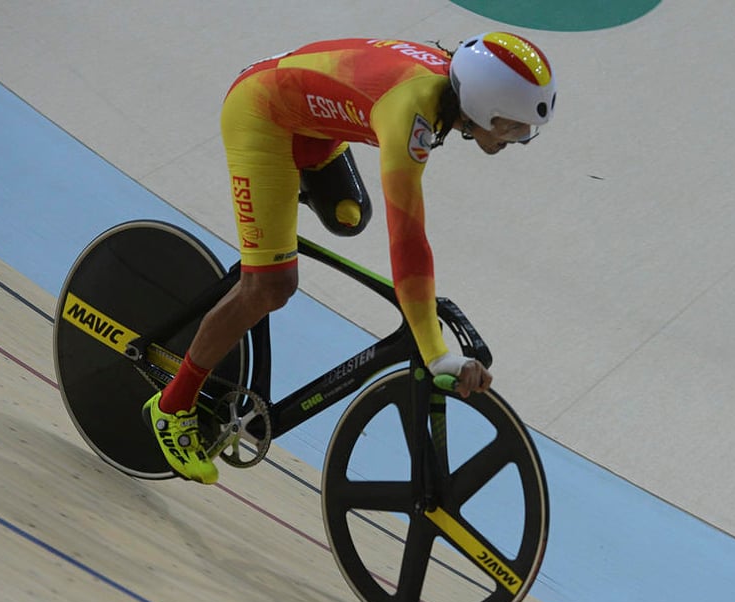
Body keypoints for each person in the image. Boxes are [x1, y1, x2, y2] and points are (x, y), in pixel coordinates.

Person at [143, 32, 557, 484]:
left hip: (311, 123)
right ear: (479, 103)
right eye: (511, 126)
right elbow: (408, 241)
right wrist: (436, 354)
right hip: (261, 115)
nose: (518, 138)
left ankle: (269, 226)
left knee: (348, 216)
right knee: (272, 286)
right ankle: (172, 405)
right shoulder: (411, 113)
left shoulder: (452, 85)